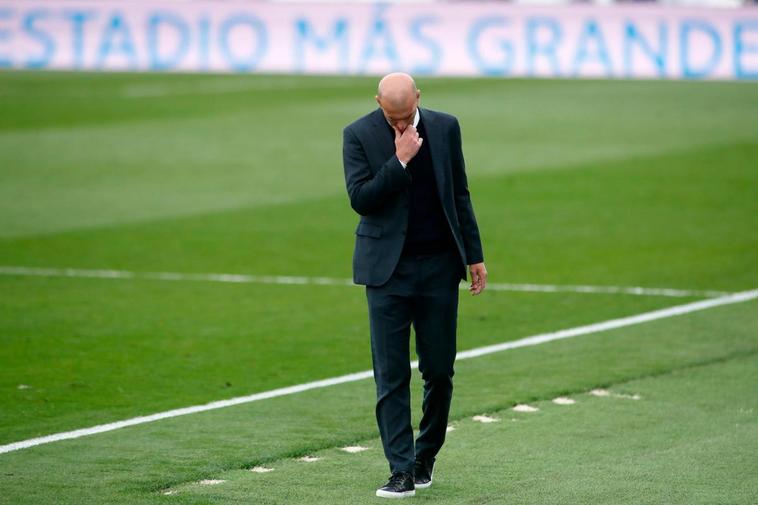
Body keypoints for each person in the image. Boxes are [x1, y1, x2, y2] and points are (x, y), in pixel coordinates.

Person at [342, 72, 487, 499]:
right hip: (386, 272)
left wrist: (473, 255)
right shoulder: (357, 134)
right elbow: (361, 199)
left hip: (440, 268)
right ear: (378, 103)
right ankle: (401, 470)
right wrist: (400, 160)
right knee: (390, 376)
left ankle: (426, 457)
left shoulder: (446, 127)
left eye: (406, 117)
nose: (401, 125)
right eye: (392, 118)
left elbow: (459, 192)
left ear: (418, 99)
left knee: (439, 371)